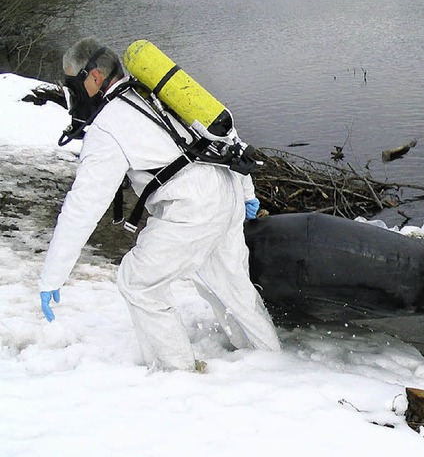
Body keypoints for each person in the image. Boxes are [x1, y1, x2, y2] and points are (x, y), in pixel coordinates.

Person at [38, 37, 281, 371]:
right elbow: (227, 136)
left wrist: (52, 275)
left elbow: (83, 207)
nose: (72, 97)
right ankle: (273, 361)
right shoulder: (152, 92)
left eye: (72, 85)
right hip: (224, 190)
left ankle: (175, 372)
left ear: (93, 78)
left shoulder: (108, 128)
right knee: (230, 284)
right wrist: (247, 193)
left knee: (139, 282)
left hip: (192, 207)